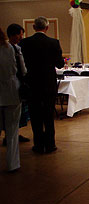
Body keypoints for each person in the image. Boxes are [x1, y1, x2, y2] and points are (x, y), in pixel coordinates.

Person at [19, 17, 64, 154]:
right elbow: (60, 64)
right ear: (47, 28)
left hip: (32, 84)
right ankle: (50, 145)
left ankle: (38, 145)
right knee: (48, 116)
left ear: (33, 27)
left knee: (35, 116)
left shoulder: (24, 43)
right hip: (48, 83)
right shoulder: (53, 43)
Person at [2, 24, 30, 146]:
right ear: (12, 35)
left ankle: (11, 135)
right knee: (12, 120)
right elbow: (22, 70)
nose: (21, 37)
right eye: (19, 34)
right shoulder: (12, 49)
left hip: (10, 88)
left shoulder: (14, 48)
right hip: (13, 89)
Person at [0, 28, 23, 172]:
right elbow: (23, 70)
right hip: (11, 91)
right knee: (12, 130)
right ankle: (12, 164)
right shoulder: (12, 49)